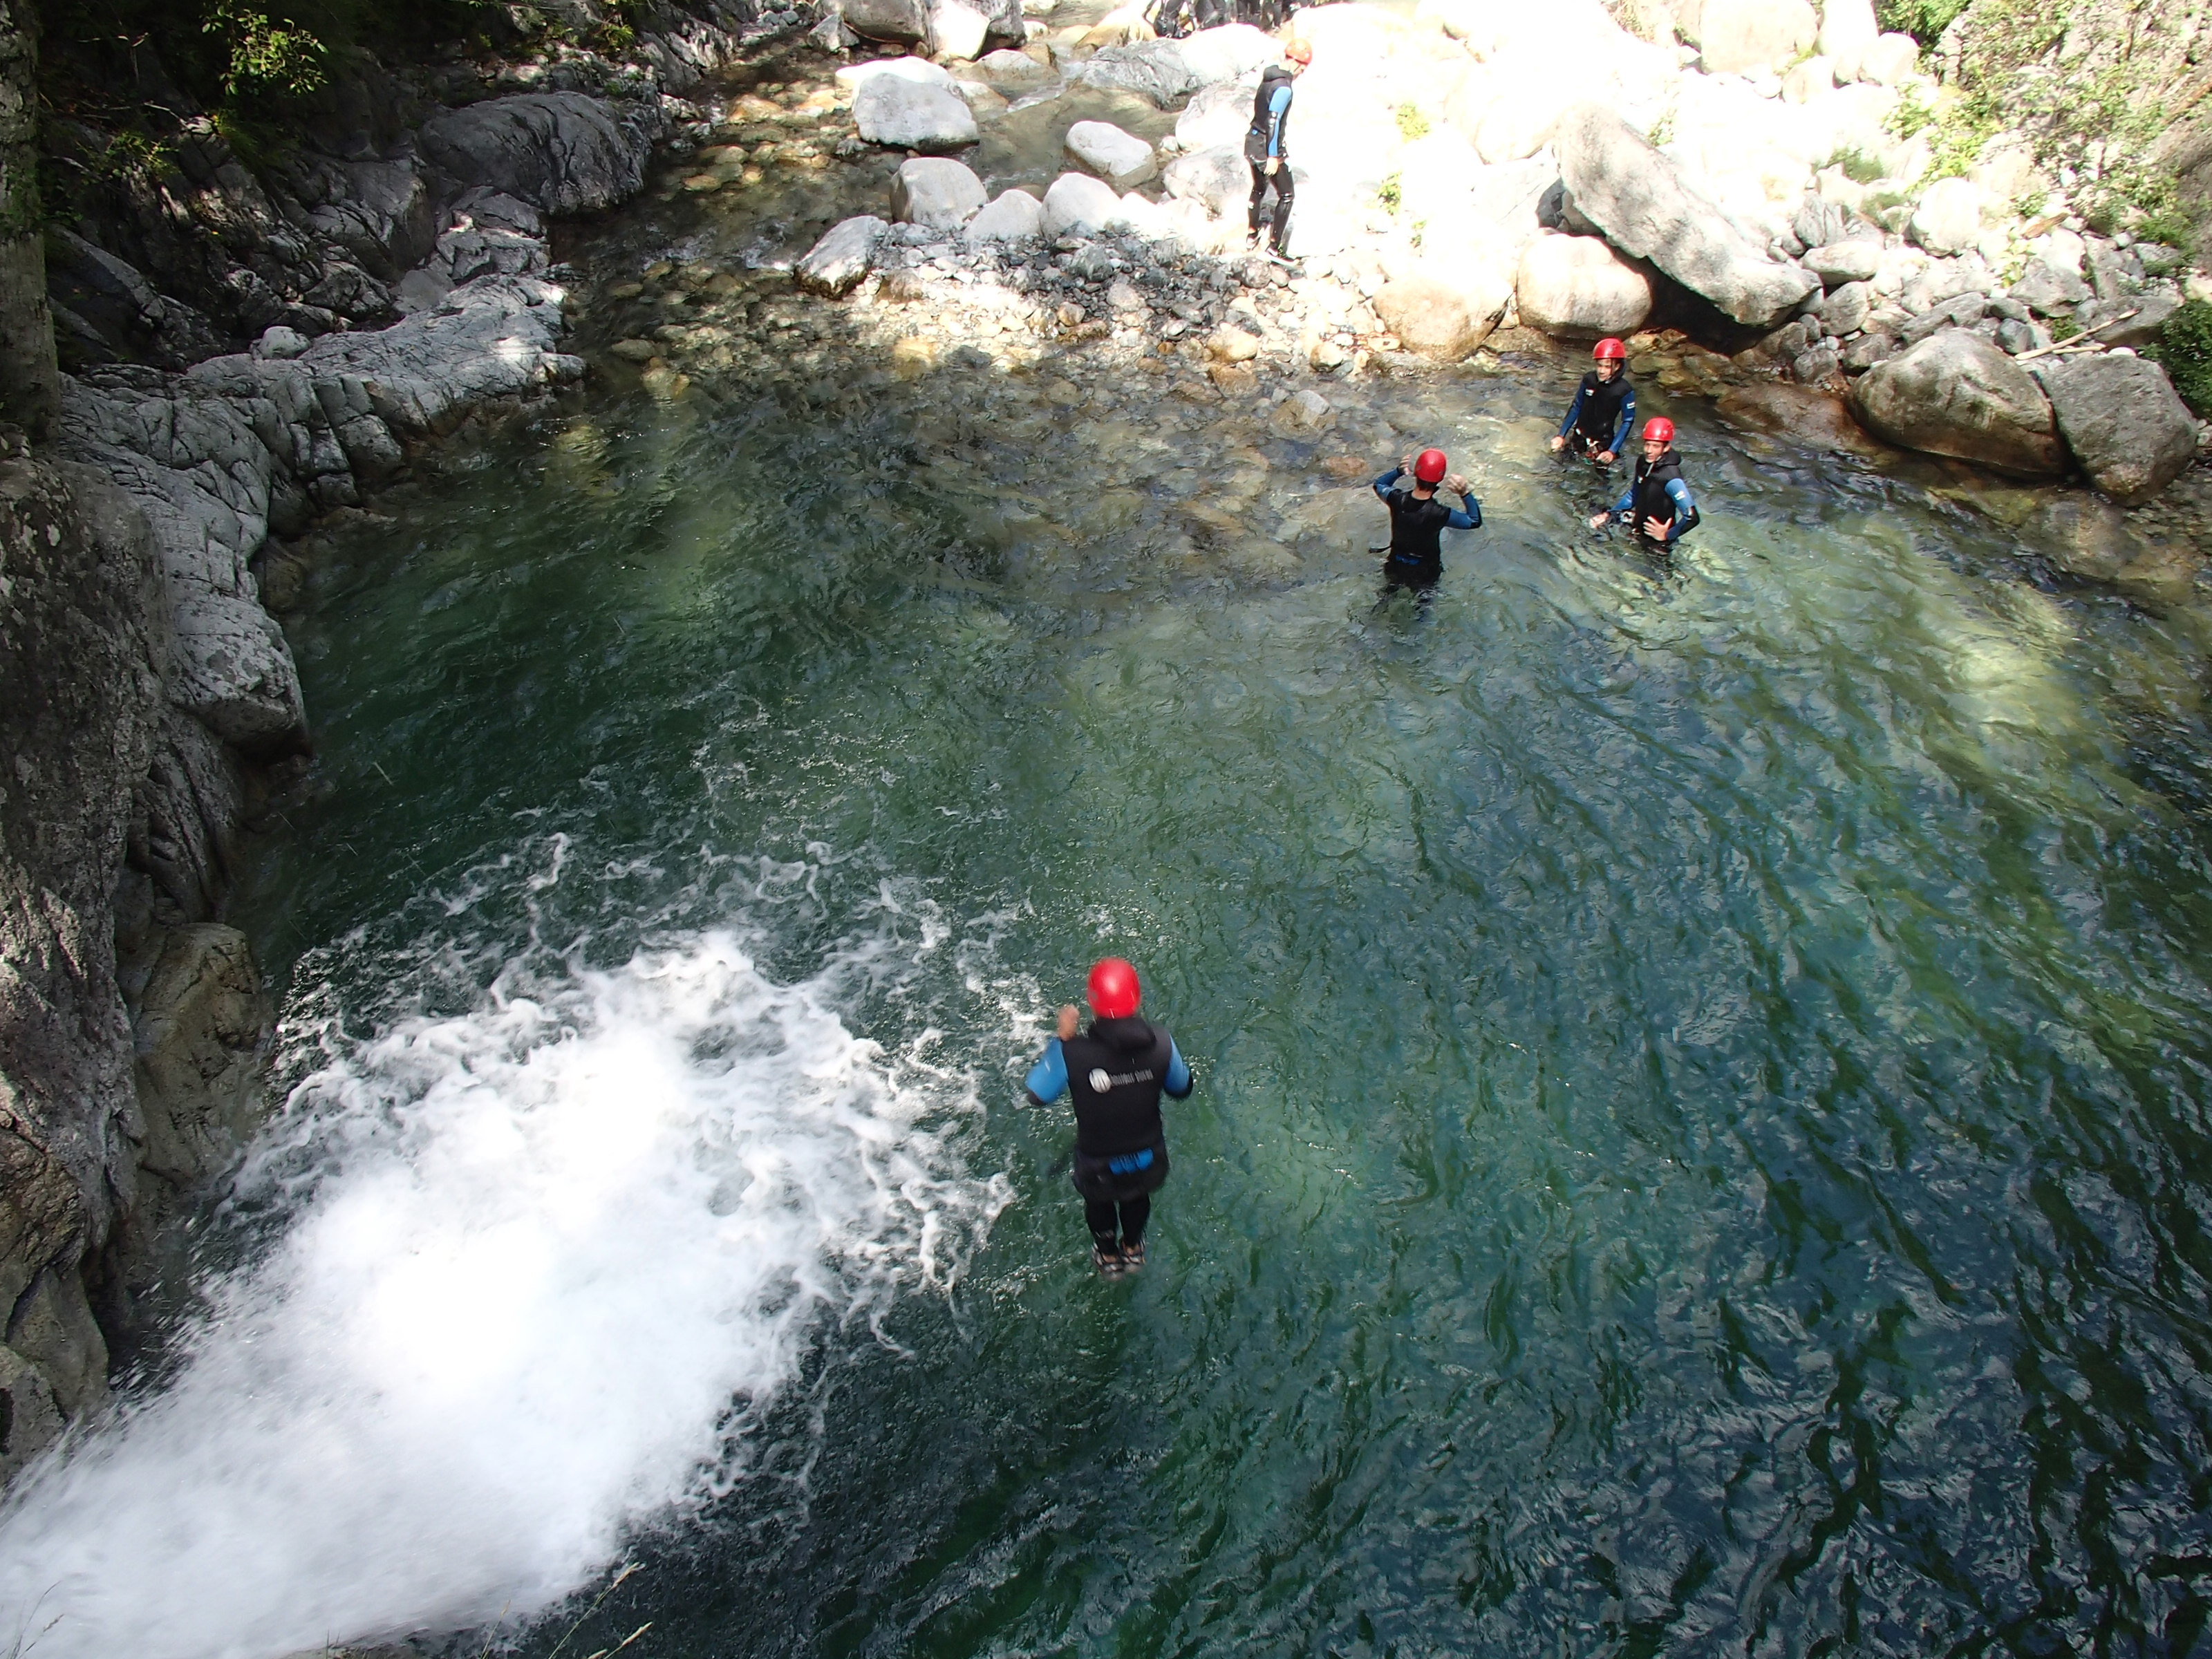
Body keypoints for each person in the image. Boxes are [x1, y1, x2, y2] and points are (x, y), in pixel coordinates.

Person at [1022, 957, 1194, 1276]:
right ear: (1137, 998)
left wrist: (1061, 1040)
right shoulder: (1163, 1045)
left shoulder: (1070, 1052)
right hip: (1148, 1161)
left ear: (1092, 1002)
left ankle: (1107, 1255)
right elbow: (1182, 1089)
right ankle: (1133, 1248)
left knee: (1099, 1204)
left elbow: (1037, 1096)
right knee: (1136, 1197)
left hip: (1097, 1167)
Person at [1371, 447, 1481, 590]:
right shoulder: (1440, 513)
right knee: (1423, 608)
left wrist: (1398, 471)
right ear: (1440, 478)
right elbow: (1474, 521)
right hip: (1425, 571)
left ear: (1416, 472)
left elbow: (1379, 485)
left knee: (1386, 599)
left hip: (1396, 563)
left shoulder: (1396, 499)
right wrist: (1465, 493)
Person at [1589, 417, 1699, 551]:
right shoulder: (1643, 463)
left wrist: (1667, 535)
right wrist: (1609, 514)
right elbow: (1634, 494)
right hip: (1637, 529)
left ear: (1666, 448)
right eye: (1647, 444)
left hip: (1657, 542)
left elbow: (1692, 517)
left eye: (1656, 446)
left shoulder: (1671, 476)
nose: (1649, 450)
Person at [1245, 39, 1310, 257]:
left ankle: (1252, 234)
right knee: (1287, 195)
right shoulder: (1284, 88)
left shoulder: (1268, 78)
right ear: (1298, 63)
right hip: (1267, 146)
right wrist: (1273, 156)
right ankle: (1276, 247)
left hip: (1252, 140)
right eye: (1303, 67)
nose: (1302, 72)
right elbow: (1273, 120)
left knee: (1259, 188)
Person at [1550, 337, 1637, 466]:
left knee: (1599, 482)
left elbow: (1627, 422)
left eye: (1607, 367)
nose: (1601, 371)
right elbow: (1576, 406)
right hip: (1579, 437)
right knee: (1558, 467)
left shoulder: (1624, 390)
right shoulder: (1589, 380)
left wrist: (1612, 451)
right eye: (1599, 365)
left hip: (1602, 444)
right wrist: (1561, 435)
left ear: (1617, 367)